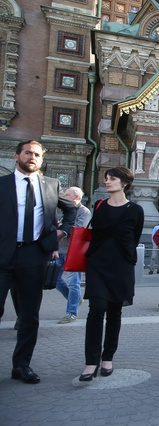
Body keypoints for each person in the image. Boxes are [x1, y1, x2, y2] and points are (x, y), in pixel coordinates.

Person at [0, 140, 76, 384]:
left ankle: (21, 366)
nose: (32, 157)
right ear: (17, 156)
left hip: (34, 255)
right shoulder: (3, 184)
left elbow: (71, 210)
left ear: (41, 160)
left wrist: (61, 232)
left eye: (36, 154)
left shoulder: (51, 185)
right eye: (27, 153)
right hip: (3, 255)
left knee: (30, 315)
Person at [79, 166, 144, 382]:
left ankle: (107, 357)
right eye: (106, 178)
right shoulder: (99, 206)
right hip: (97, 264)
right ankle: (91, 361)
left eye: (112, 178)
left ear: (124, 183)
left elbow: (134, 238)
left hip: (121, 266)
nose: (107, 181)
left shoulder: (135, 210)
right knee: (96, 309)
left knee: (115, 312)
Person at [55, 186, 92, 324]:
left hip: (74, 252)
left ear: (76, 197)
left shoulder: (84, 211)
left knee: (73, 283)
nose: (64, 197)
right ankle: (76, 299)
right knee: (54, 279)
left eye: (67, 194)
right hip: (60, 250)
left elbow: (79, 230)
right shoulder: (65, 210)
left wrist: (62, 226)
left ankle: (71, 313)